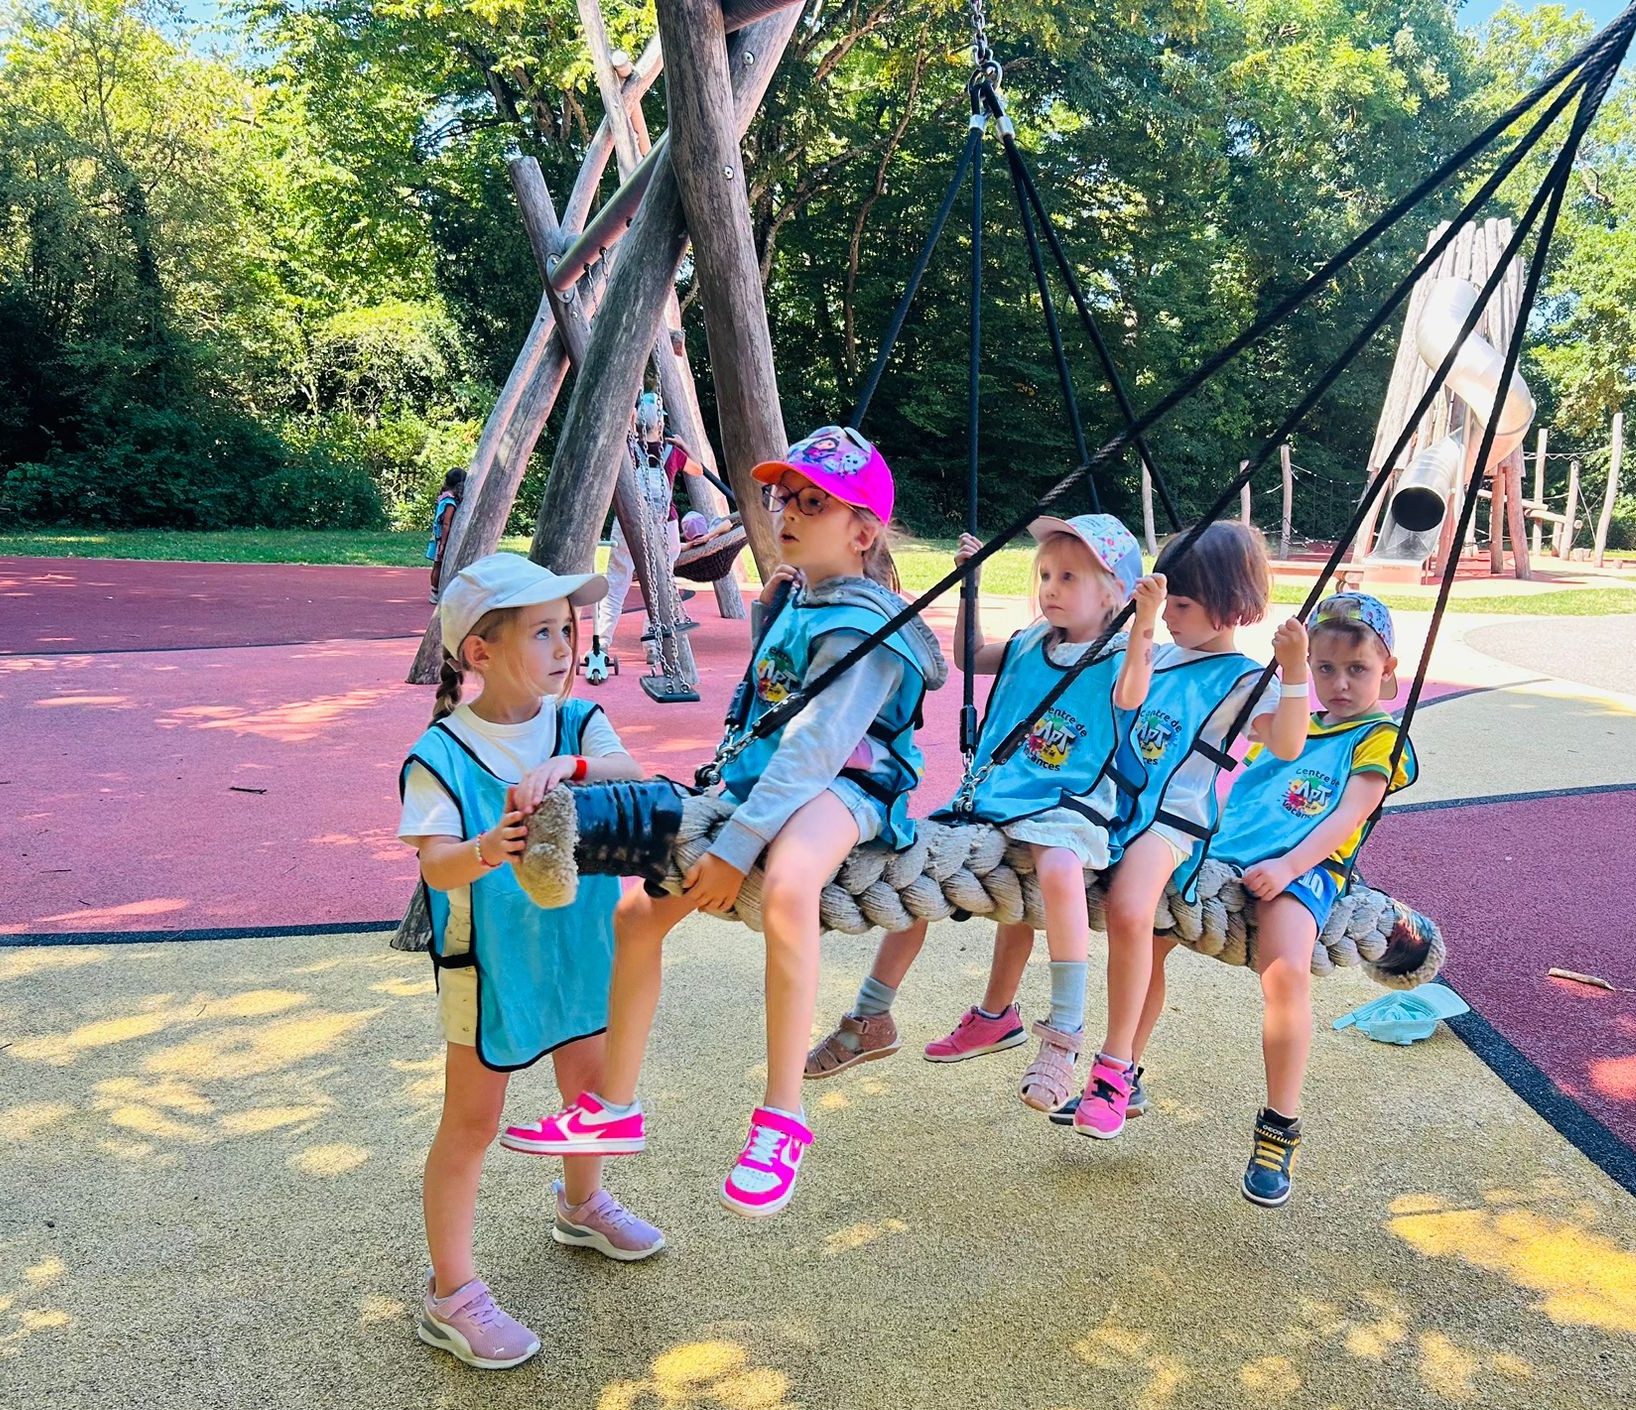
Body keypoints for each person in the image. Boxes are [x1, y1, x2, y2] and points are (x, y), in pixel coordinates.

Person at [499, 427, 947, 1218]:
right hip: (765, 784)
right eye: (783, 498)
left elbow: (816, 750)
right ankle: (614, 1107)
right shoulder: (803, 598)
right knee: (637, 916)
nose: (787, 512)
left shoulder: (866, 628)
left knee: (790, 886)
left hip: (845, 787)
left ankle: (782, 1117)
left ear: (862, 533)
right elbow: (768, 707)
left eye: (814, 503)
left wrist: (738, 846)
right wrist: (772, 609)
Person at [398, 553, 666, 1368]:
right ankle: (451, 1293)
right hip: (488, 968)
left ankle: (582, 1204)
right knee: (472, 1122)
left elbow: (632, 773)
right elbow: (436, 867)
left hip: (580, 951)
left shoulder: (579, 722)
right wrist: (488, 846)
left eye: (567, 629)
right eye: (542, 631)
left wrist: (571, 767)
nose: (563, 646)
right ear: (480, 652)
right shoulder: (441, 753)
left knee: (590, 1091)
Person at [809, 512, 1148, 1115]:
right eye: (1045, 575)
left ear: (1112, 595)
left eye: (1069, 577)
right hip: (991, 802)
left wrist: (1144, 622)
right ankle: (871, 1015)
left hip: (1066, 804)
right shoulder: (1029, 642)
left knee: (1058, 866)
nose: (1050, 588)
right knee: (915, 869)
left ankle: (1064, 1033)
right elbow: (969, 657)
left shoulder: (1121, 655)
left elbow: (1131, 696)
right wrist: (970, 585)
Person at [1130, 592, 1418, 1207]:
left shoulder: (1380, 737)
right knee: (1144, 940)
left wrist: (1290, 866)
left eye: (1358, 669)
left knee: (1284, 972)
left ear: (1388, 670)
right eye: (1325, 668)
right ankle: (1121, 1071)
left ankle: (1279, 1124)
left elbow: (1350, 813)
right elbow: (1242, 787)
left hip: (1307, 867)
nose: (1340, 684)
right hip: (1225, 851)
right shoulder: (1289, 724)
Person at [1051, 522, 1273, 1138]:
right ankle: (1002, 1014)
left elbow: (1285, 743)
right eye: (1166, 604)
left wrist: (1298, 671)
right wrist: (1143, 626)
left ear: (1230, 607)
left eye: (1182, 606)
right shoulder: (1161, 651)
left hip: (1173, 818)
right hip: (1116, 804)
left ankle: (1113, 1068)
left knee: (1132, 912)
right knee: (1042, 859)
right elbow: (1121, 703)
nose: (1170, 617)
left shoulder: (1248, 679)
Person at [595, 392, 723, 657]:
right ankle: (653, 644)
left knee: (617, 583)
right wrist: (684, 445)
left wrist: (631, 419)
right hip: (665, 525)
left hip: (629, 523)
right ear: (661, 424)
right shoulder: (672, 453)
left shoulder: (626, 448)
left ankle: (602, 643)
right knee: (659, 584)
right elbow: (698, 470)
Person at [426, 467, 466, 604]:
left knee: (436, 564)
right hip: (441, 537)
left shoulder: (443, 496)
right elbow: (446, 523)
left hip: (436, 535)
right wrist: (443, 543)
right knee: (438, 564)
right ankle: (435, 592)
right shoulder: (450, 501)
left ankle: (435, 590)